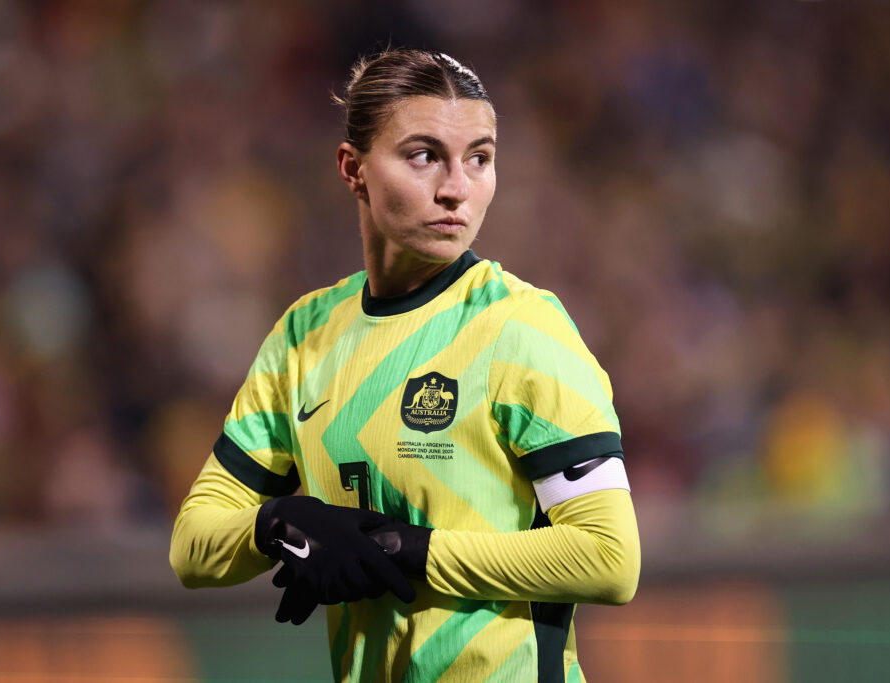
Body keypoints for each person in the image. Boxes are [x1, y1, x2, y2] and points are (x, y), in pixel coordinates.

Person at [169, 48, 640, 683]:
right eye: (424, 156)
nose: (456, 188)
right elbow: (192, 546)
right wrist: (279, 523)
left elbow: (610, 559)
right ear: (353, 169)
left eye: (479, 158)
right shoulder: (305, 335)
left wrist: (410, 552)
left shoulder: (523, 328)